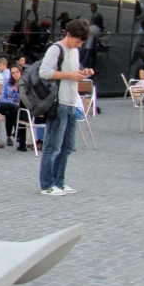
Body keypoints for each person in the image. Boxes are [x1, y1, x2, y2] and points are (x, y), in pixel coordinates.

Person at [38, 19, 93, 196]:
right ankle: (47, 184)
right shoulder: (56, 49)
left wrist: (82, 74)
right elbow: (44, 72)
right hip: (58, 103)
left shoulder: (75, 51)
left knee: (68, 146)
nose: (79, 44)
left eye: (82, 42)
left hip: (71, 102)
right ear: (68, 35)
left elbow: (73, 73)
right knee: (53, 146)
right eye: (77, 41)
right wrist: (69, 75)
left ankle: (59, 181)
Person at [0, 63, 22, 146]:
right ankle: (17, 131)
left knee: (9, 113)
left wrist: (15, 106)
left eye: (17, 72)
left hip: (13, 109)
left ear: (21, 72)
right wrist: (14, 105)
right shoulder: (7, 82)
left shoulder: (23, 84)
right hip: (3, 105)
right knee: (12, 108)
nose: (15, 74)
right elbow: (3, 98)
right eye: (13, 73)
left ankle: (8, 137)